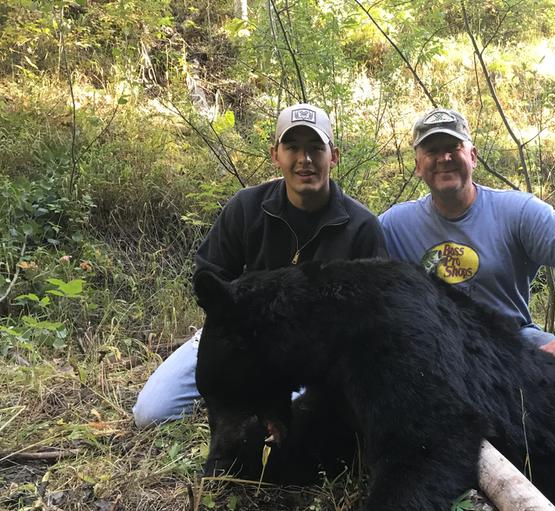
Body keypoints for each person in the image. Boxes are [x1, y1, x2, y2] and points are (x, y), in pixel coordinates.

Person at [133, 103, 387, 427]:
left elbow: (371, 319)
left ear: (333, 156)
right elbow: (209, 276)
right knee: (150, 413)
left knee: (292, 424)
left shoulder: (362, 227)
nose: (304, 159)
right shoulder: (247, 207)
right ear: (275, 154)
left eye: (315, 148)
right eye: (292, 147)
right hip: (240, 338)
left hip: (311, 358)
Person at [379, 108, 555, 385]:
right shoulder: (395, 225)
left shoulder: (514, 211)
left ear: (473, 156)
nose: (444, 158)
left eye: (453, 147)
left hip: (509, 341)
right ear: (418, 165)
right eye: (432, 150)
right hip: (434, 346)